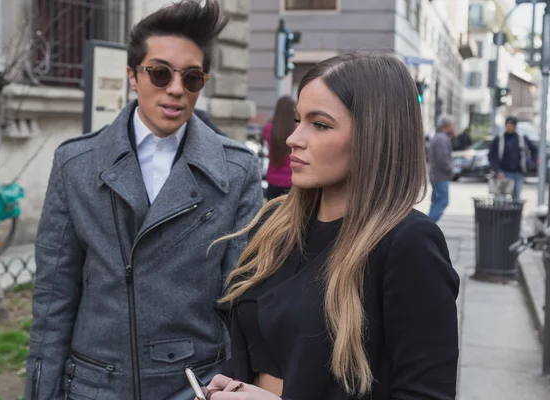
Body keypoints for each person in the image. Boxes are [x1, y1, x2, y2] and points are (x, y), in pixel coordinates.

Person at [25, 1, 263, 399]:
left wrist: (233, 385)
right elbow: (53, 298)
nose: (175, 89)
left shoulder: (236, 170)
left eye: (191, 78)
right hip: (93, 386)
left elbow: (244, 300)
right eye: (159, 73)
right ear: (133, 76)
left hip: (194, 386)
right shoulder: (75, 164)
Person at [206, 51, 460, 400]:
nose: (294, 138)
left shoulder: (408, 244)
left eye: (320, 124)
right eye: (297, 120)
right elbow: (265, 346)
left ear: (375, 137)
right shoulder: (276, 225)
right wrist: (232, 383)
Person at [488, 116, 537, 201]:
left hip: (518, 172)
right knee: (500, 199)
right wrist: (497, 170)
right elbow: (491, 155)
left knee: (516, 198)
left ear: (515, 126)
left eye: (511, 124)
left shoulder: (521, 137)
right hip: (503, 172)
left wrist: (532, 162)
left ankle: (515, 214)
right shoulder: (499, 138)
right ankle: (501, 214)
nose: (509, 126)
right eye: (508, 124)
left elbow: (534, 149)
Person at [263, 96, 295, 200]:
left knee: (272, 213)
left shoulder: (268, 128)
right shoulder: (296, 130)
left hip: (272, 178)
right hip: (291, 180)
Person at [428, 115, 456, 223]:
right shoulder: (441, 139)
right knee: (442, 201)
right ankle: (429, 224)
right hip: (440, 176)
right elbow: (442, 158)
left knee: (437, 201)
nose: (453, 127)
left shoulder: (439, 137)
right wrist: (451, 170)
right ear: (448, 126)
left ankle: (428, 224)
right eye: (452, 125)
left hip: (437, 175)